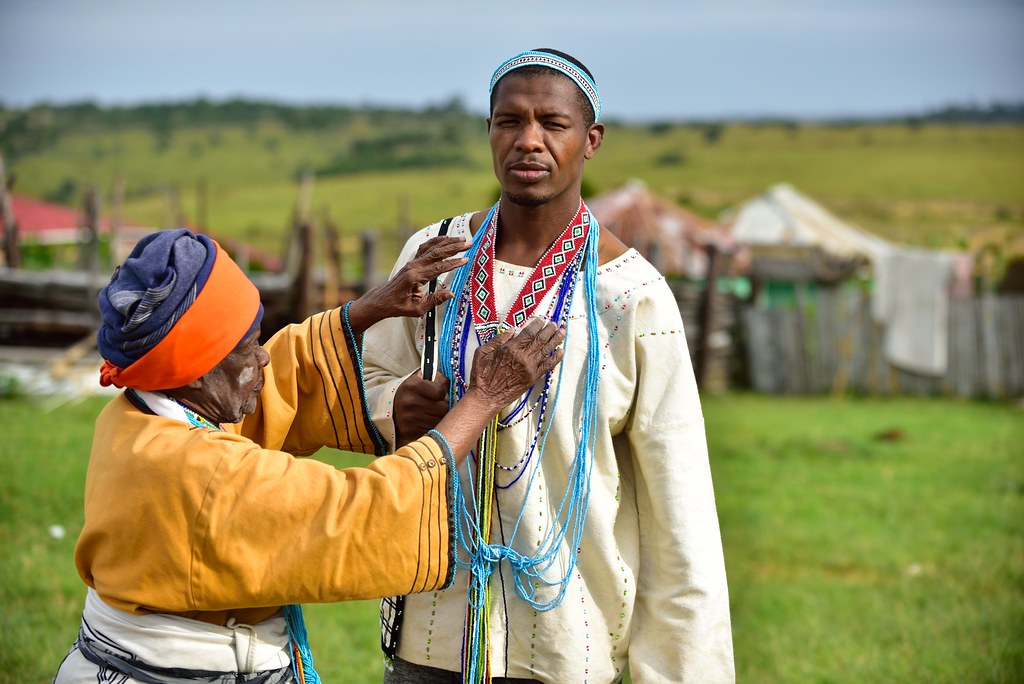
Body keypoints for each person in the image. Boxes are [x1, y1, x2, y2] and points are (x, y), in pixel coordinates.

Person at [362, 49, 735, 683]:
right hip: (432, 635)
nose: (528, 141)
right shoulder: (436, 256)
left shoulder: (631, 296)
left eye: (551, 124)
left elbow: (682, 511)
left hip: (566, 644)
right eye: (509, 121)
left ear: (590, 141)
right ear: (489, 132)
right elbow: (369, 382)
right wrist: (393, 405)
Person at [54, 228, 565, 683]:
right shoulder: (201, 471)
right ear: (194, 370)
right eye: (247, 346)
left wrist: (371, 308)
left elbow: (268, 390)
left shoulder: (139, 414)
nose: (263, 358)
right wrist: (484, 399)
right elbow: (369, 508)